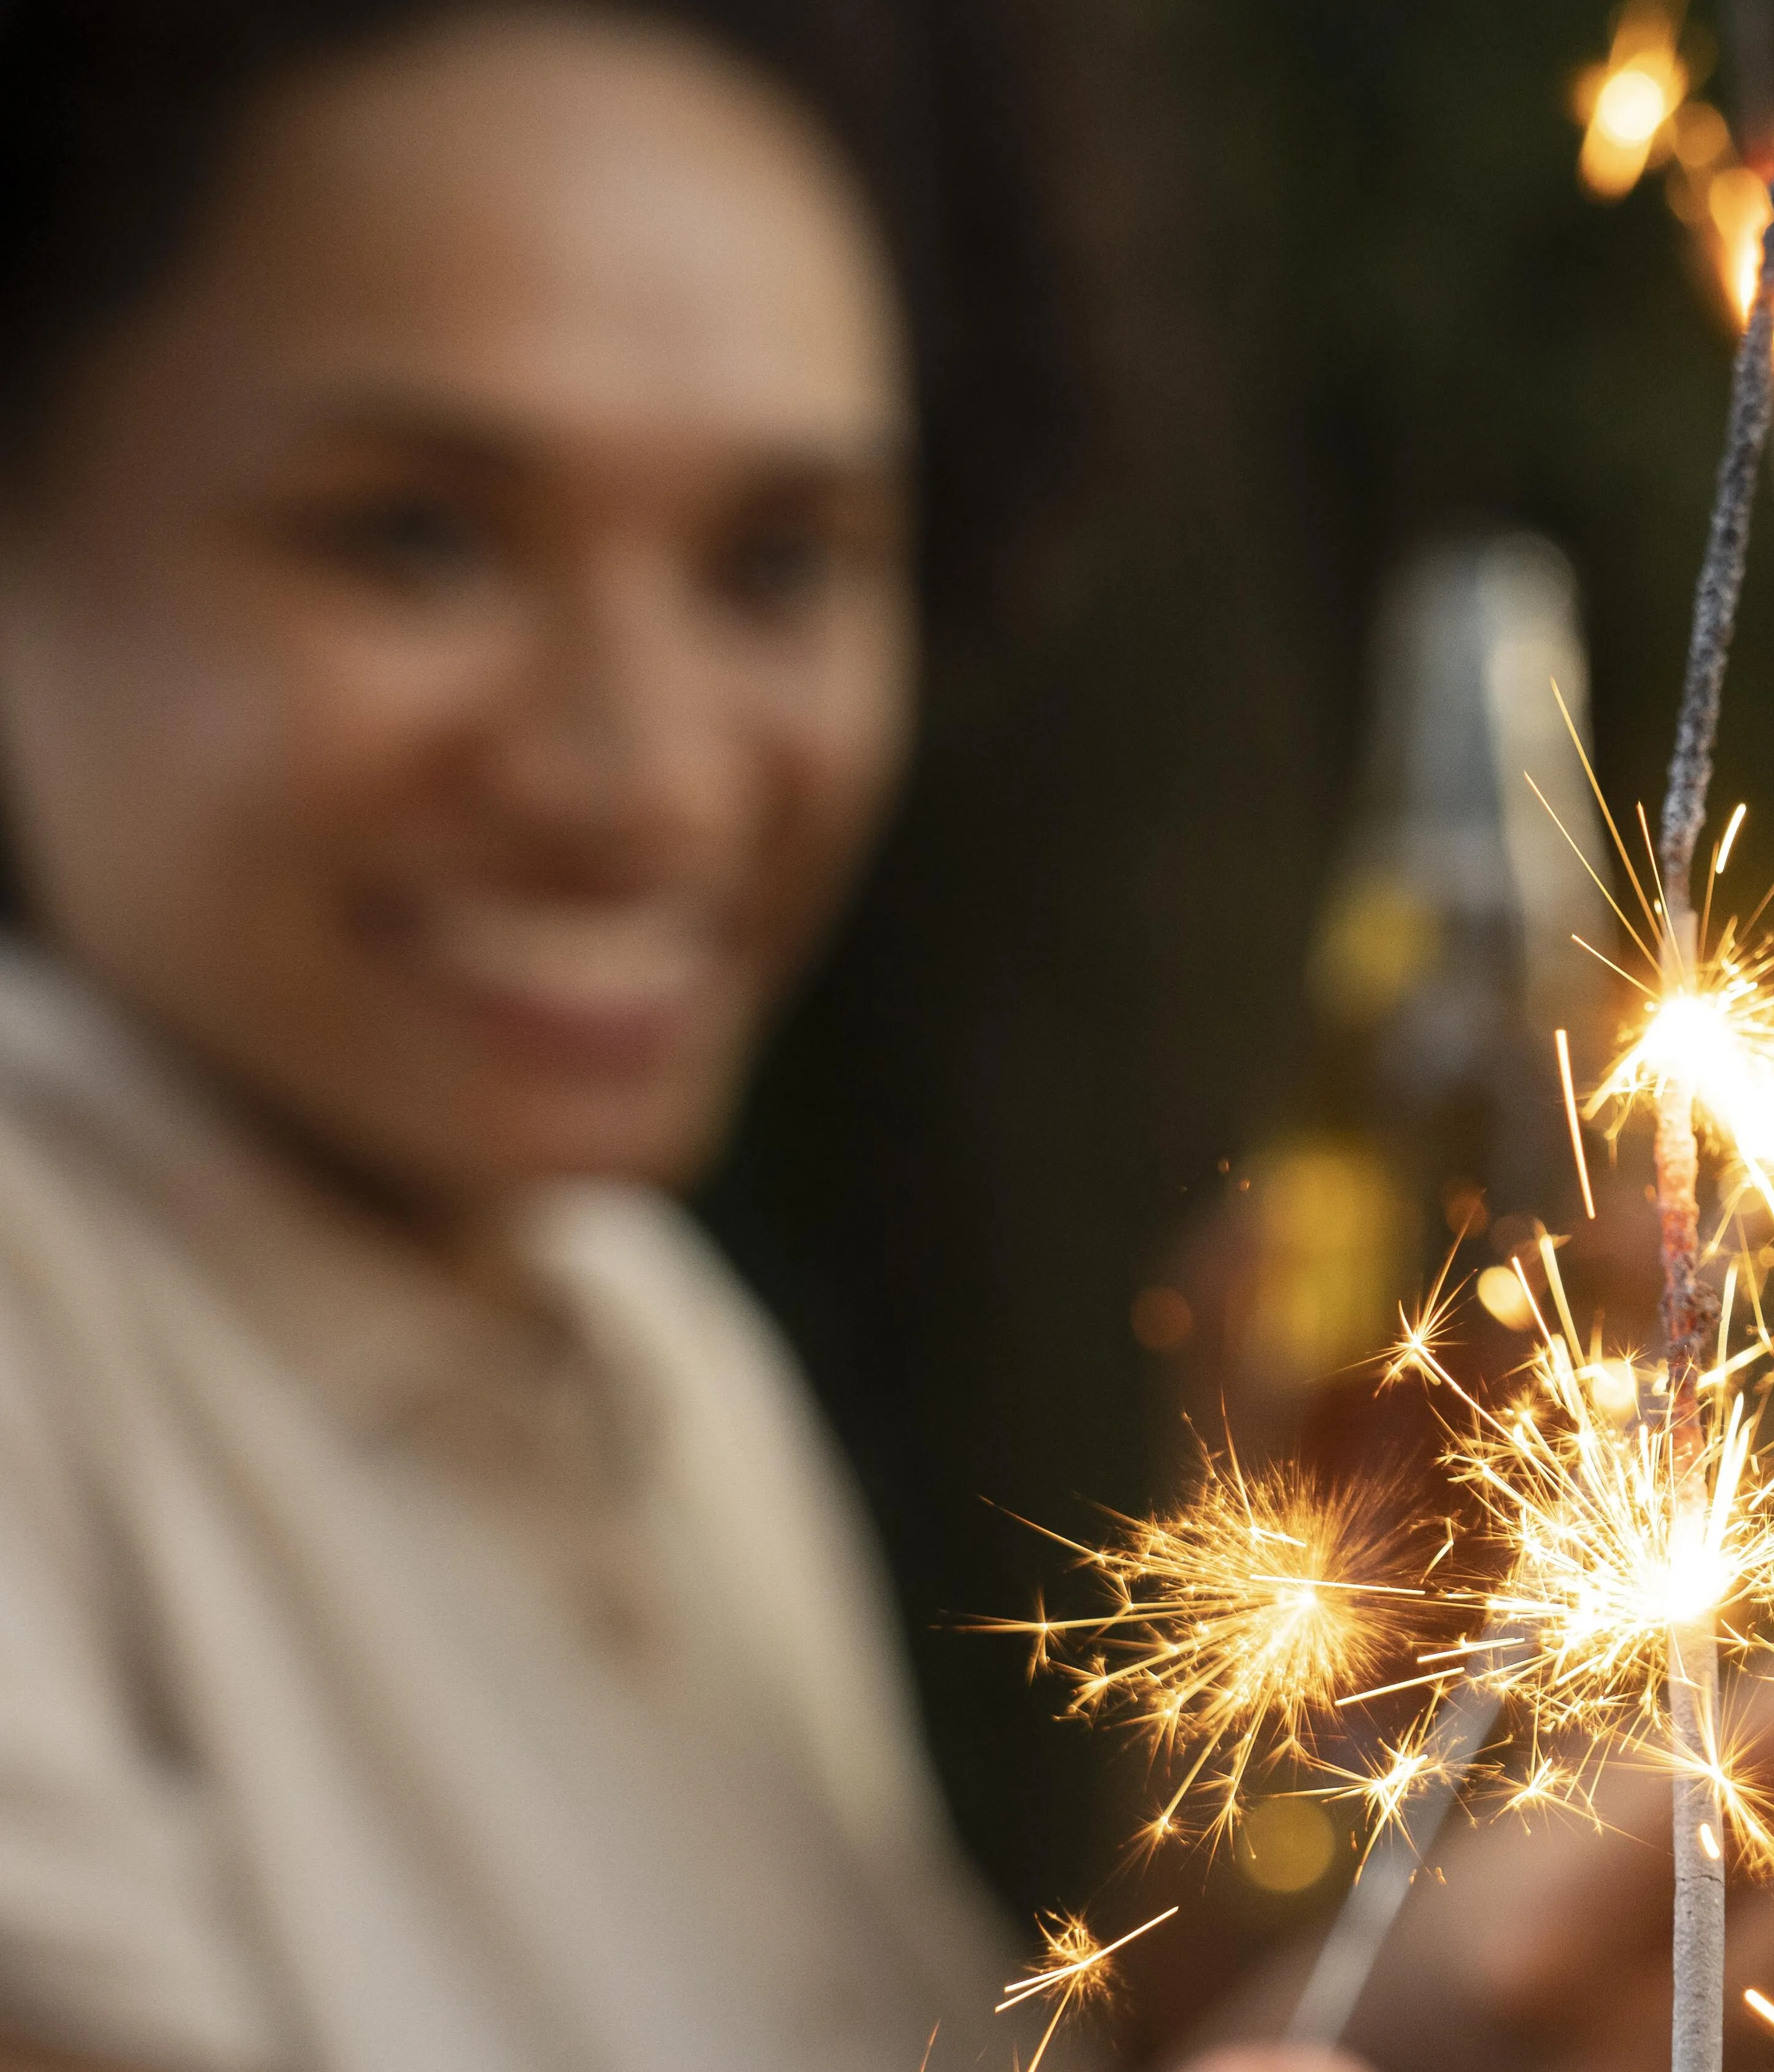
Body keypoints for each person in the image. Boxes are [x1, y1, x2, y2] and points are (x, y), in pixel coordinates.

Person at [0, 5, 1348, 2068]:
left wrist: (1292, 1843)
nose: (645, 780)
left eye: (779, 562)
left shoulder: (646, 1342)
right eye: (415, 534)